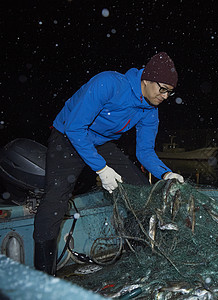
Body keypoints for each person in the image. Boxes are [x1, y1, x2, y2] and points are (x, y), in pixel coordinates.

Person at [33, 52, 184, 275]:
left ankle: (137, 261)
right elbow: (76, 128)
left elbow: (144, 152)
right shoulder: (109, 84)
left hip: (101, 142)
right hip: (67, 136)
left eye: (170, 92)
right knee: (56, 201)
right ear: (147, 79)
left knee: (142, 192)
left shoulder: (150, 111)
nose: (165, 96)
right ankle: (43, 275)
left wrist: (166, 174)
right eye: (162, 89)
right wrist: (101, 169)